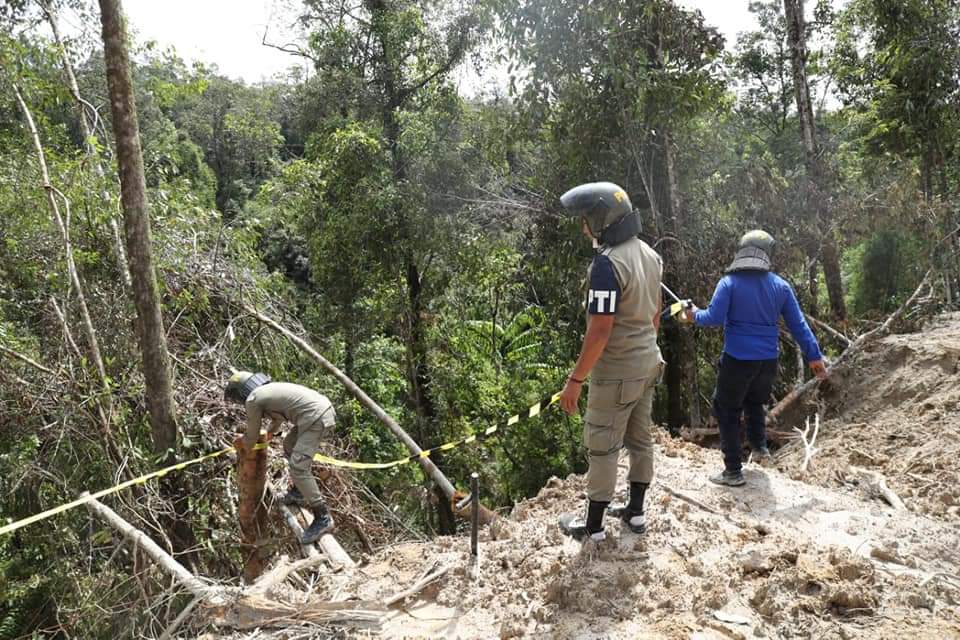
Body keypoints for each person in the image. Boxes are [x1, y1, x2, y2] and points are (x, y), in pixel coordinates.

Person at [556, 182, 664, 542]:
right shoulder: (649, 255)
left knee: (601, 444)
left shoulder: (607, 264)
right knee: (640, 438)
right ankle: (635, 513)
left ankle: (594, 527)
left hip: (617, 370)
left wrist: (575, 380)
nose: (584, 226)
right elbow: (655, 314)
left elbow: (600, 329)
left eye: (587, 219)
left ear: (605, 219)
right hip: (648, 363)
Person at [684, 230, 828, 487]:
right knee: (754, 402)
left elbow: (713, 319)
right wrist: (813, 356)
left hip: (737, 359)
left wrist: (693, 314)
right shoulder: (780, 286)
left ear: (742, 251)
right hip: (767, 361)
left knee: (726, 409)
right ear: (766, 254)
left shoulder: (728, 283)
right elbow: (799, 325)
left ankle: (732, 471)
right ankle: (760, 450)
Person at [225, 371, 337, 543]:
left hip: (315, 417)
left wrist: (238, 447)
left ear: (240, 392)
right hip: (318, 411)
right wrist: (269, 432)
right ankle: (299, 492)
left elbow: (251, 437)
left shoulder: (253, 399)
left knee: (298, 467)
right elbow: (277, 419)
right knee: (289, 445)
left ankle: (323, 517)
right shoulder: (267, 391)